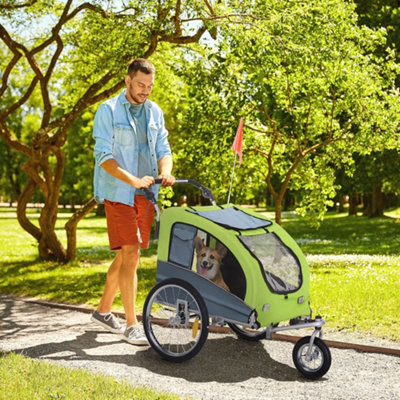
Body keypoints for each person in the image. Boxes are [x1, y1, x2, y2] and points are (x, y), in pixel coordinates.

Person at [91, 58, 175, 345]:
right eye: (141, 84)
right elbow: (104, 157)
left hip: (146, 194)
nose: (145, 91)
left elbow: (164, 147)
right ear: (127, 80)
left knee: (127, 254)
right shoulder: (108, 111)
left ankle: (103, 311)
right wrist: (133, 180)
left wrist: (165, 172)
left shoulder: (154, 112)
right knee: (132, 254)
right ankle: (131, 324)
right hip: (119, 192)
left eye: (150, 86)